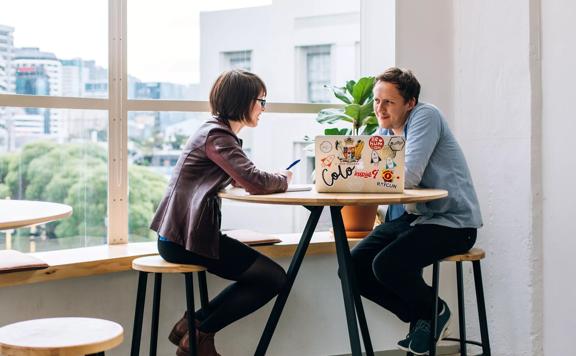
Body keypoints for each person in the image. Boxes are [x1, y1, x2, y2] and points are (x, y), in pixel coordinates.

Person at [150, 69, 292, 356]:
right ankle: (199, 333)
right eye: (261, 101)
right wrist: (285, 178)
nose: (263, 108)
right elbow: (255, 181)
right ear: (243, 101)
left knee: (270, 276)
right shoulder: (218, 136)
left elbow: (239, 175)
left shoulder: (215, 133)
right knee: (274, 278)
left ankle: (194, 325)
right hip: (184, 242)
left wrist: (251, 178)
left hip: (182, 237)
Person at [349, 67, 482, 355]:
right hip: (418, 218)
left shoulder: (426, 116)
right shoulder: (385, 128)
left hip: (453, 223)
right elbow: (363, 167)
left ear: (410, 102)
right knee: (351, 269)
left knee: (386, 265)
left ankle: (431, 312)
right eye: (376, 100)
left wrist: (359, 174)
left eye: (388, 102)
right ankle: (426, 315)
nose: (379, 109)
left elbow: (406, 175)